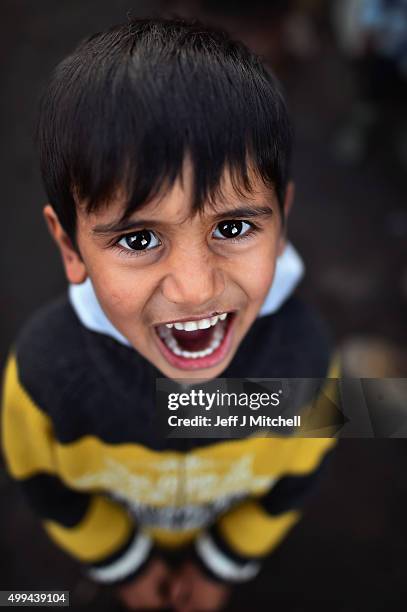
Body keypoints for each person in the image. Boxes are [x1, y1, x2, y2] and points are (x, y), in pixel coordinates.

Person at [1, 18, 337, 612]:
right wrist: (126, 566)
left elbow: (300, 478)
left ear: (281, 220)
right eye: (137, 239)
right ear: (70, 247)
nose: (193, 290)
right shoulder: (43, 376)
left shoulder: (310, 361)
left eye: (233, 227)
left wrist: (222, 566)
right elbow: (45, 487)